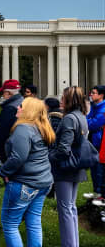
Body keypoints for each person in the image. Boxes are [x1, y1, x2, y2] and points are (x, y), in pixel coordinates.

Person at [0, 97, 55, 247]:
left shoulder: (23, 128)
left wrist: (3, 171)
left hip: (25, 183)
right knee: (34, 222)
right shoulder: (41, 127)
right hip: (43, 183)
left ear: (28, 110)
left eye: (21, 106)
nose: (17, 108)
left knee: (10, 224)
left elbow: (18, 157)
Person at [49, 86, 88, 247]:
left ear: (70, 100)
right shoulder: (82, 116)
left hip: (65, 169)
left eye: (63, 98)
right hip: (77, 166)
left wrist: (48, 156)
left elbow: (63, 149)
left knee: (65, 209)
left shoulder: (69, 118)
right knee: (70, 208)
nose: (61, 100)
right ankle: (73, 243)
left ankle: (69, 244)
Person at [0, 79, 23, 164]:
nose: (3, 95)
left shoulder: (9, 108)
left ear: (8, 93)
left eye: (3, 93)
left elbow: (1, 132)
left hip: (6, 152)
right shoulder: (24, 103)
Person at [83, 85, 105, 200]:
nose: (91, 95)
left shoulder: (103, 109)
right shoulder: (95, 106)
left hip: (99, 143)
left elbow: (91, 124)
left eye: (94, 93)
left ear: (101, 95)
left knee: (99, 171)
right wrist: (88, 120)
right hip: (94, 141)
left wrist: (88, 120)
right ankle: (97, 193)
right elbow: (87, 120)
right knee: (94, 170)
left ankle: (100, 194)